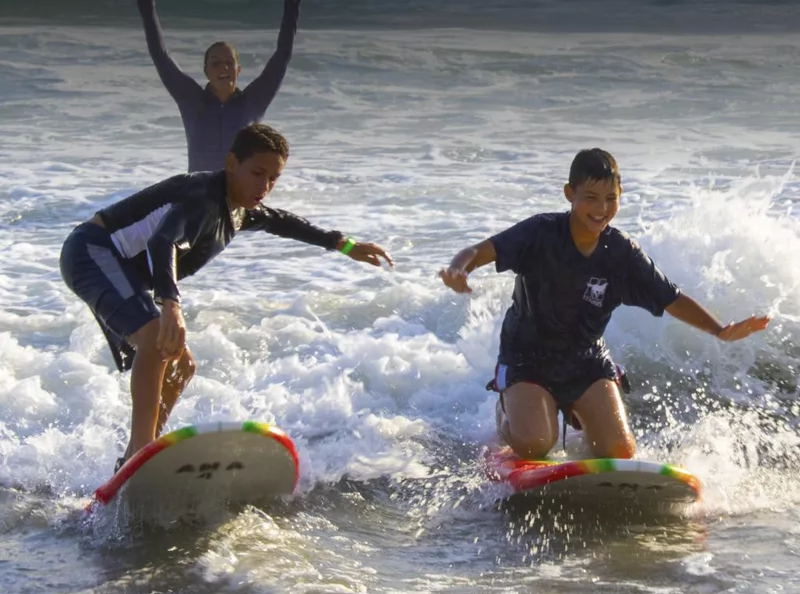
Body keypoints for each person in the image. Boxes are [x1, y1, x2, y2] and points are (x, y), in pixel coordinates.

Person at [60, 123, 393, 472]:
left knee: (182, 366)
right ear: (232, 163)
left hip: (119, 268)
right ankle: (140, 453)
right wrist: (170, 304)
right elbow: (163, 241)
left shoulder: (239, 208)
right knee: (158, 341)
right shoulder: (202, 196)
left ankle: (138, 458)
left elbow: (284, 222)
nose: (264, 186)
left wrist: (345, 245)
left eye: (273, 178)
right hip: (92, 251)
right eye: (257, 173)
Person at [439, 148, 770, 460]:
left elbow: (671, 298)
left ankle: (571, 407)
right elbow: (480, 250)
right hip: (527, 358)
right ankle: (507, 411)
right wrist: (458, 269)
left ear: (620, 197)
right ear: (570, 194)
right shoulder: (541, 233)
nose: (601, 209)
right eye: (591, 198)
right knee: (535, 443)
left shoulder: (622, 253)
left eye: (611, 199)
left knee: (619, 450)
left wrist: (720, 330)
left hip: (586, 359)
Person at [137, 0, 302, 172]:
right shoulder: (191, 100)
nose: (223, 67)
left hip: (238, 193)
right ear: (206, 71)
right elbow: (160, 54)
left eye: (229, 62)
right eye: (215, 63)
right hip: (199, 191)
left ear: (238, 70)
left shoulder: (253, 102)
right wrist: (147, 6)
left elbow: (282, 56)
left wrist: (292, 6)